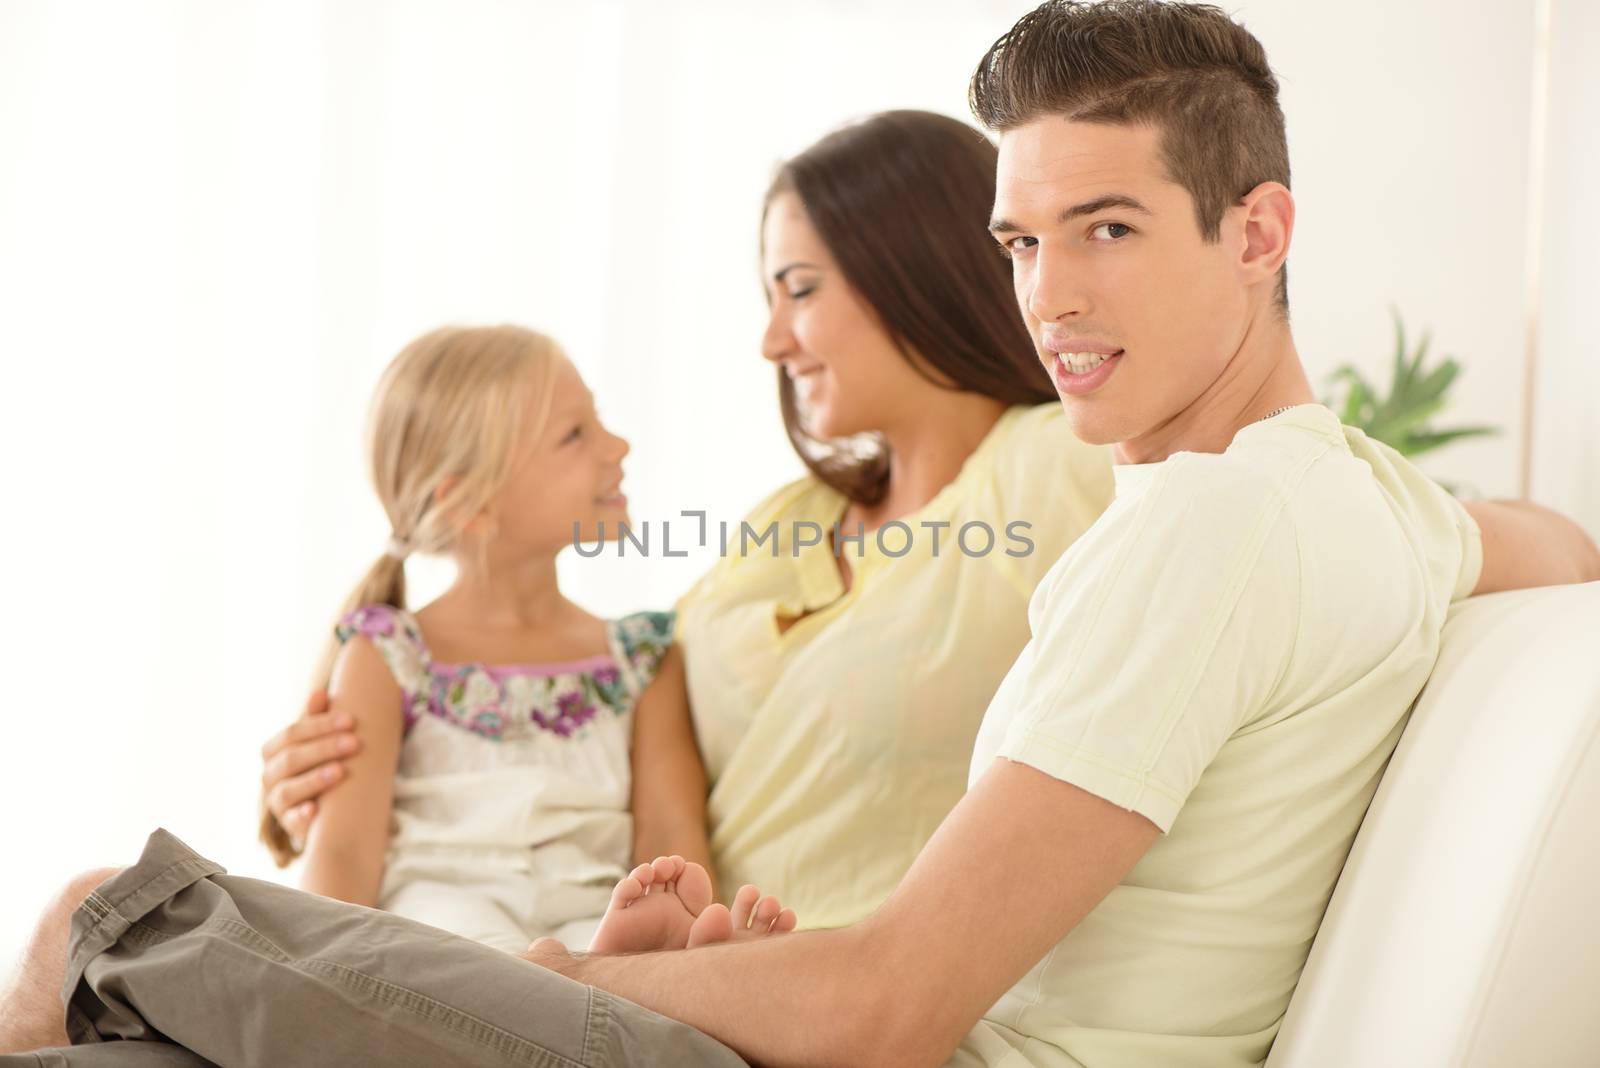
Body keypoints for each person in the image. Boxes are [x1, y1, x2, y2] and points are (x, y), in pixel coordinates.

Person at [5, 3, 1599, 1066]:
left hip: (827, 1041)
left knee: (99, 919)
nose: (1048, 295)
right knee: (123, 1021)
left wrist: (577, 976)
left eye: (1106, 231)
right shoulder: (1365, 505)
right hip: (741, 980)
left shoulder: (1200, 520)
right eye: (1024, 241)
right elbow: (1555, 546)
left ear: (1260, 231)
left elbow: (896, 1002)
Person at [257, 109, 1117, 932]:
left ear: (916, 269)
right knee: (127, 907)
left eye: (801, 290)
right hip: (665, 978)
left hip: (762, 986)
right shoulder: (793, 520)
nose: (772, 342)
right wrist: (346, 776)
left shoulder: (1059, 466)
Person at [261, 321, 795, 952]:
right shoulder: (388, 655)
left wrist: (680, 912)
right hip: (438, 920)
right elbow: (344, 857)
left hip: (591, 911)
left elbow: (671, 831)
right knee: (459, 934)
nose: (617, 446)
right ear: (471, 506)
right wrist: (308, 977)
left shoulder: (641, 658)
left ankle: (613, 967)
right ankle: (574, 983)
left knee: (603, 938)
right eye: (575, 435)